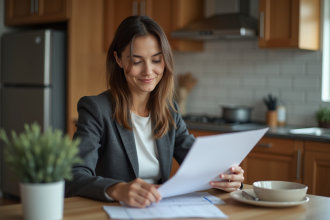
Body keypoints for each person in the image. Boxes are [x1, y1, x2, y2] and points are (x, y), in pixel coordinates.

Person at [65, 16, 244, 208]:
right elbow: (74, 175)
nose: (148, 71)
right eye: (137, 62)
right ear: (118, 59)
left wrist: (229, 176)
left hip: (158, 210)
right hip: (112, 210)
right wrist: (117, 189)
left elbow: (200, 164)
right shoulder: (96, 109)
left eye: (156, 60)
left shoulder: (169, 111)